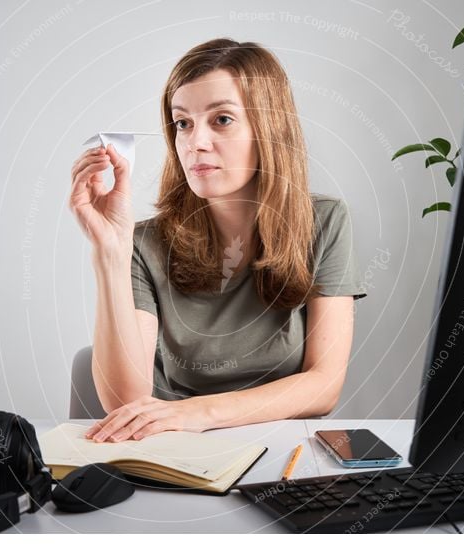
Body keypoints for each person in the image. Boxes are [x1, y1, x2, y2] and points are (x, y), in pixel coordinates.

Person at [69, 38, 367, 443]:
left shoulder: (325, 221)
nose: (195, 143)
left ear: (269, 128)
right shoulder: (144, 243)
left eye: (221, 120)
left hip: (278, 447)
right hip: (172, 448)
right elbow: (125, 400)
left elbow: (324, 384)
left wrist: (198, 412)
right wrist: (109, 249)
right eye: (183, 123)